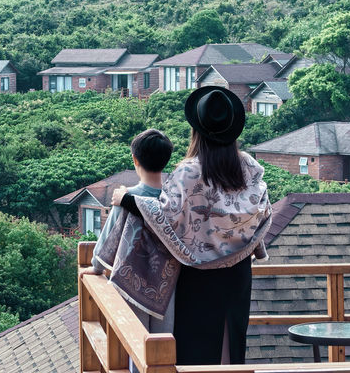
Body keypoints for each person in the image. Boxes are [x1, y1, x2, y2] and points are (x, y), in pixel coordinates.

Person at [112, 86, 272, 366]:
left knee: (195, 352)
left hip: (197, 277)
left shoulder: (189, 171)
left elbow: (166, 216)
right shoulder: (247, 165)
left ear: (196, 130)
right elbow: (260, 210)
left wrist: (127, 199)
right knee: (231, 347)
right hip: (238, 274)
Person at [79, 129, 177, 366]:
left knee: (137, 343)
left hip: (132, 278)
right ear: (167, 160)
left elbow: (109, 235)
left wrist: (96, 267)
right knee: (164, 342)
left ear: (135, 159)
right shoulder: (173, 199)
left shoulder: (127, 197)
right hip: (167, 282)